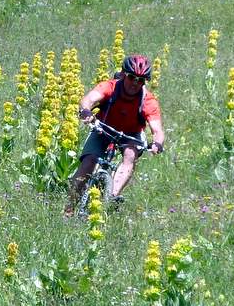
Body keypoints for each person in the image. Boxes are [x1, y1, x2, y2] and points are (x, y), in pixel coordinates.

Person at [66, 54, 165, 214]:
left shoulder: (148, 100)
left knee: (130, 155)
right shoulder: (110, 87)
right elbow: (89, 99)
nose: (135, 83)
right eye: (132, 77)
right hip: (104, 127)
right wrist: (85, 111)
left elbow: (157, 130)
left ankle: (110, 196)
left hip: (131, 134)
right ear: (124, 74)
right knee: (88, 162)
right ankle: (69, 209)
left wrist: (157, 143)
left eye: (140, 80)